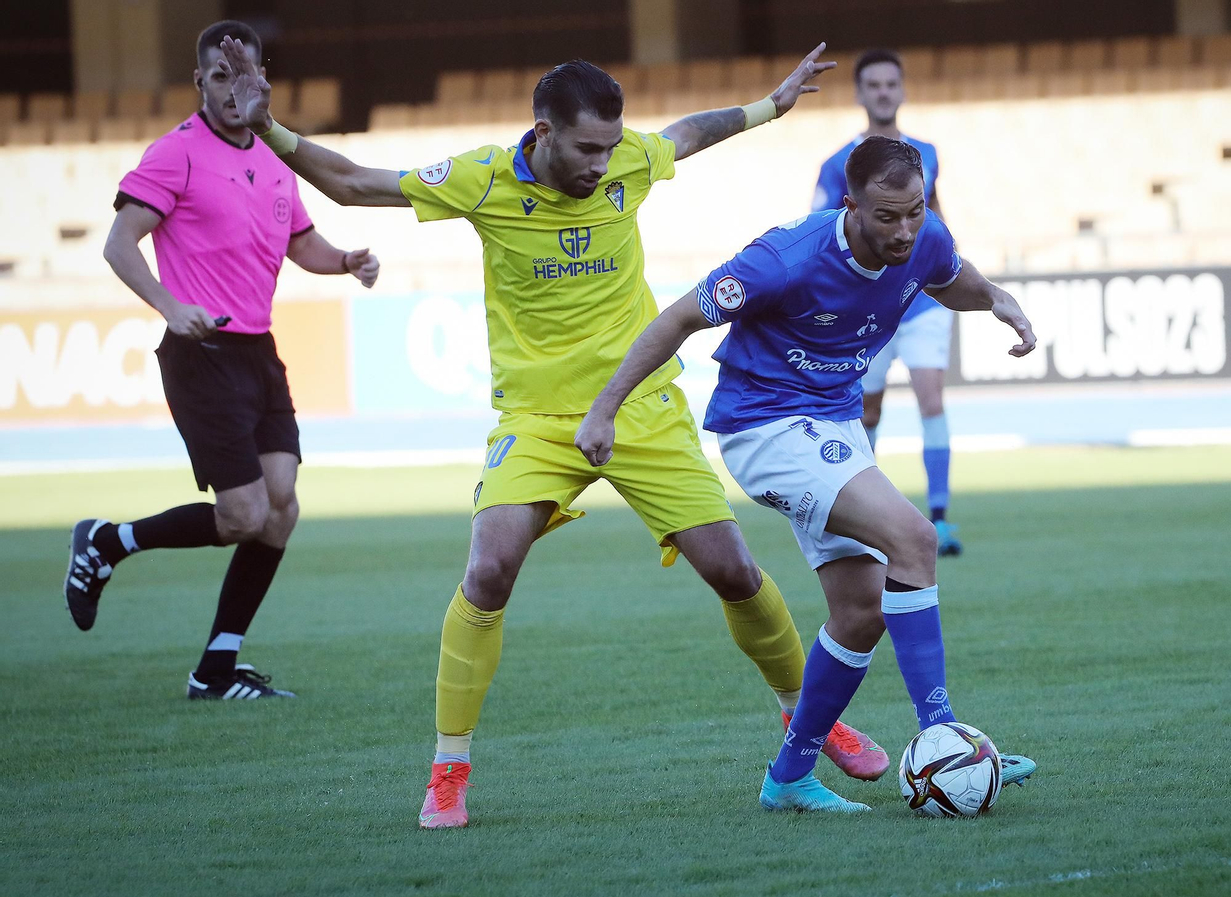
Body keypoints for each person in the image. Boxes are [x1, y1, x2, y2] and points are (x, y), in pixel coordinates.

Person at [218, 37, 890, 828]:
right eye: (586, 147)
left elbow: (688, 134)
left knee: (734, 568)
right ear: (541, 130)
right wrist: (271, 128)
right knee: (490, 566)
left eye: (611, 146)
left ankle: (808, 719)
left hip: (638, 404)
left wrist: (768, 107)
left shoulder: (627, 161)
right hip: (537, 420)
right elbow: (354, 183)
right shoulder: (483, 179)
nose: (604, 164)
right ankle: (449, 767)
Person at [577, 137, 1040, 812]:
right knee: (913, 539)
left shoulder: (923, 234)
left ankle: (788, 776)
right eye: (887, 217)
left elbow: (948, 273)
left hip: (835, 423)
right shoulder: (783, 259)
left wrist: (996, 297)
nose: (904, 230)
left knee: (859, 612)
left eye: (913, 212)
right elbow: (677, 319)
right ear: (849, 205)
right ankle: (943, 737)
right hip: (764, 426)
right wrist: (604, 409)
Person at [65, 20, 381, 701]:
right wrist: (169, 305)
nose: (236, 92)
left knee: (281, 507)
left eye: (247, 78)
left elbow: (304, 244)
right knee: (242, 514)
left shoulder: (274, 159)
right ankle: (107, 541)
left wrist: (346, 261)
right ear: (200, 84)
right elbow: (120, 245)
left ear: (264, 78)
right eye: (220, 78)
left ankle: (215, 668)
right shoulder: (174, 154)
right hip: (200, 351)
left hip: (258, 353)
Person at [812, 50, 961, 556]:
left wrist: (953, 266)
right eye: (872, 84)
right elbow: (820, 232)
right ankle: (865, 518)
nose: (882, 92)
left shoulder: (927, 153)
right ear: (859, 94)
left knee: (932, 399)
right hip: (868, 309)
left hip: (921, 303)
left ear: (901, 90)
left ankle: (940, 518)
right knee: (867, 412)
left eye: (890, 83)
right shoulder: (838, 165)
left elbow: (935, 218)